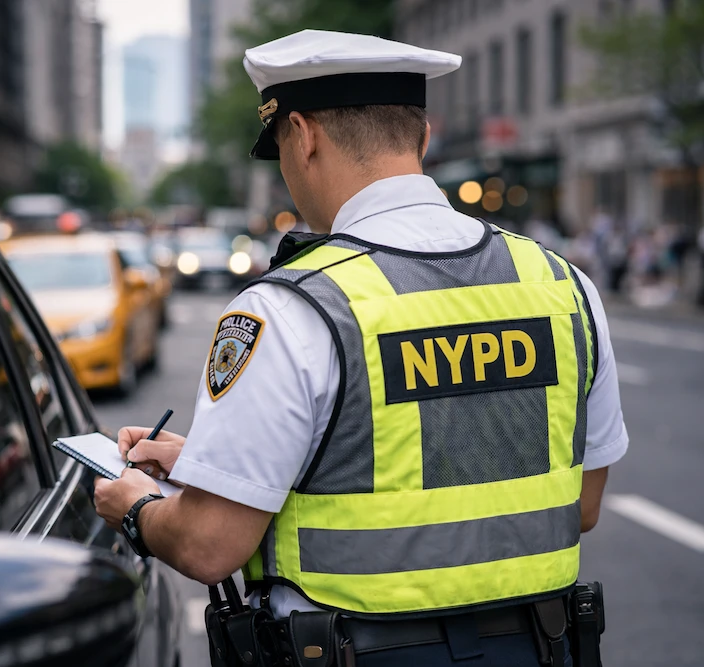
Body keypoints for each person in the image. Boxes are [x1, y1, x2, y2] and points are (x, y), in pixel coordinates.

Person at [94, 29, 628, 666]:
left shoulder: (291, 309)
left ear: (305, 134)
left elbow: (209, 546)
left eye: (281, 150)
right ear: (423, 138)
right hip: (542, 649)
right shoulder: (563, 286)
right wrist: (218, 467)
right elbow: (580, 503)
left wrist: (136, 507)